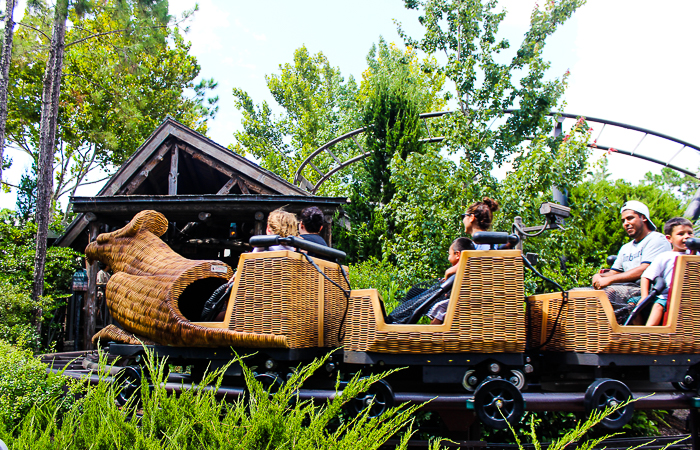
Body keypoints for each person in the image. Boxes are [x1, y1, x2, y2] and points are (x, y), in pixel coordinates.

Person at [591, 201, 671, 303]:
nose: (626, 223)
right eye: (623, 221)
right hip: (628, 289)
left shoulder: (657, 239)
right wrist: (598, 276)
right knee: (584, 294)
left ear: (643, 217)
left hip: (650, 290)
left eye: (630, 218)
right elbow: (614, 272)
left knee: (608, 293)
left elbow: (645, 269)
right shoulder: (626, 248)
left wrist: (609, 280)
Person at [633, 217, 696, 326]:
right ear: (669, 238)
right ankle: (647, 331)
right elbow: (646, 276)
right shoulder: (665, 256)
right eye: (681, 234)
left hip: (691, 295)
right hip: (668, 296)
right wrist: (644, 296)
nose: (687, 236)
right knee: (650, 304)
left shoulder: (697, 255)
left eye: (690, 233)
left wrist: (694, 250)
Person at [444, 198, 500, 279]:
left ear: (471, 217)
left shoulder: (483, 243)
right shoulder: (492, 242)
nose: (463, 220)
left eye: (464, 216)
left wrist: (448, 273)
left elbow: (477, 262)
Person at [427, 237, 476, 324]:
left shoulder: (463, 266)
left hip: (463, 303)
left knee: (439, 307)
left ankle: (432, 333)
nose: (448, 258)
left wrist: (447, 277)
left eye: (449, 254)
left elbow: (449, 272)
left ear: (457, 255)